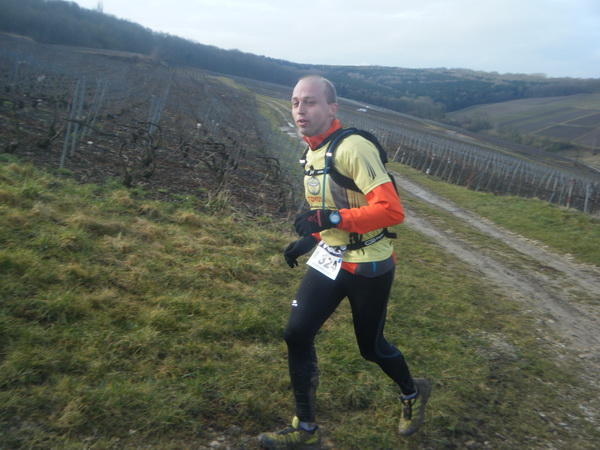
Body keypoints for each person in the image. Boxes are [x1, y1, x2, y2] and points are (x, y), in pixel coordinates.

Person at [258, 76, 430, 449]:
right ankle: (306, 429)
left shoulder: (353, 148)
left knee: (371, 348)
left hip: (368, 262)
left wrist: (332, 221)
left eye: (310, 102)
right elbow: (333, 208)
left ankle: (412, 393)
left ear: (332, 108)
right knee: (296, 334)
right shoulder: (310, 153)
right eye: (295, 102)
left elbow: (391, 210)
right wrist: (309, 238)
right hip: (331, 258)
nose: (300, 110)